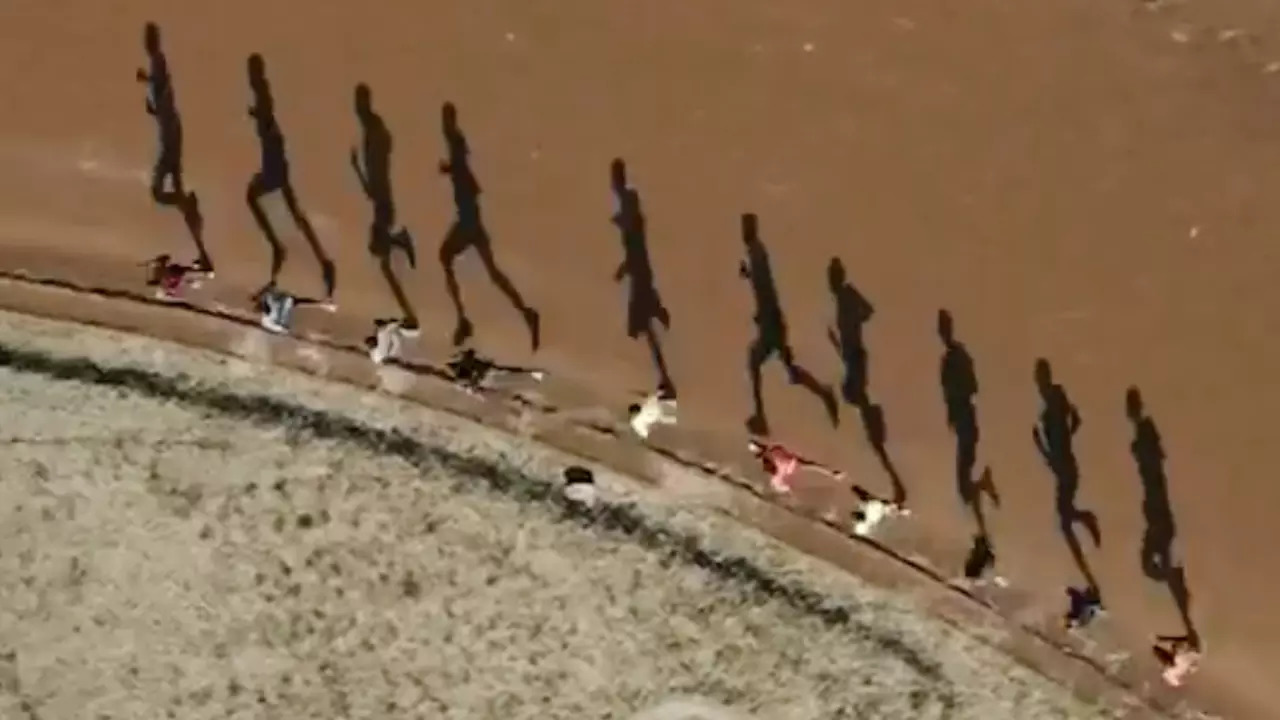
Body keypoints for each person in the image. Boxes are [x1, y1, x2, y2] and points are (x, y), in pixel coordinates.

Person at [748, 439, 844, 494]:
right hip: (792, 464)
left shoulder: (776, 478)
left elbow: (786, 487)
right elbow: (780, 450)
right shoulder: (774, 455)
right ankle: (833, 474)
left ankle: (833, 474)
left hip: (791, 464)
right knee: (813, 465)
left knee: (813, 466)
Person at [447, 347, 544, 395]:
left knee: (507, 377)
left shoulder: (464, 378)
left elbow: (477, 378)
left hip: (486, 376)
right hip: (486, 377)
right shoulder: (464, 377)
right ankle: (535, 377)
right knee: (507, 377)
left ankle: (535, 377)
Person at [252, 283, 335, 334]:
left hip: (280, 312)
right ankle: (323, 305)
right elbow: (283, 329)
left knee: (293, 301)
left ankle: (323, 304)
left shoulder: (267, 303)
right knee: (293, 301)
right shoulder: (268, 319)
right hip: (282, 319)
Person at [145, 254, 212, 301]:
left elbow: (173, 281)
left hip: (174, 273)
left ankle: (200, 270)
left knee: (186, 276)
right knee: (186, 275)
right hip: (174, 272)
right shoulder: (166, 284)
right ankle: (199, 269)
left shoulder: (165, 283)